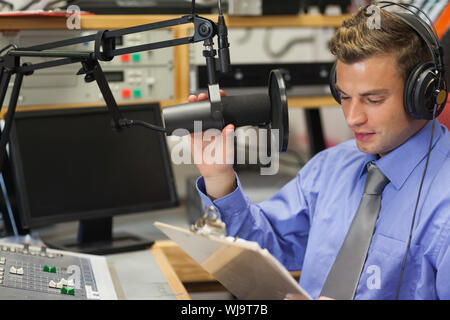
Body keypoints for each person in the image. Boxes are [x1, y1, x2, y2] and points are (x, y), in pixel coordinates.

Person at [188, 6, 450, 300]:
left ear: (425, 94)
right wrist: (219, 178)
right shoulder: (332, 167)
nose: (352, 118)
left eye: (373, 99)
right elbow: (266, 248)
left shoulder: (444, 203)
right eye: (345, 96)